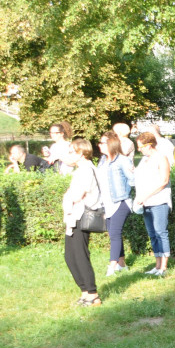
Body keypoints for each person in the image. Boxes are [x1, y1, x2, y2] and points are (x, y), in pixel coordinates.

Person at [61, 137, 103, 306]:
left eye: (71, 151)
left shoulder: (86, 169)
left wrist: (67, 197)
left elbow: (77, 194)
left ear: (80, 153)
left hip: (81, 216)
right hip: (74, 216)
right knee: (70, 256)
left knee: (79, 255)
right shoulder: (81, 169)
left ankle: (92, 294)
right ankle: (85, 291)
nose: (69, 154)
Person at [96, 130, 134, 276]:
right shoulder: (102, 161)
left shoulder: (122, 160)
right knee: (113, 233)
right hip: (107, 202)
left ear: (111, 144)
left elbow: (132, 180)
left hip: (121, 201)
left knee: (115, 234)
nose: (99, 145)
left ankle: (112, 266)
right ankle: (122, 264)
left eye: (102, 142)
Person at [134, 131, 172, 276]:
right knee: (152, 233)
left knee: (160, 232)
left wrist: (146, 195)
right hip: (145, 202)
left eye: (141, 147)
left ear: (149, 145)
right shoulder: (144, 160)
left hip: (159, 201)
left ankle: (164, 266)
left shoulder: (161, 158)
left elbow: (164, 181)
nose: (139, 149)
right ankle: (157, 265)